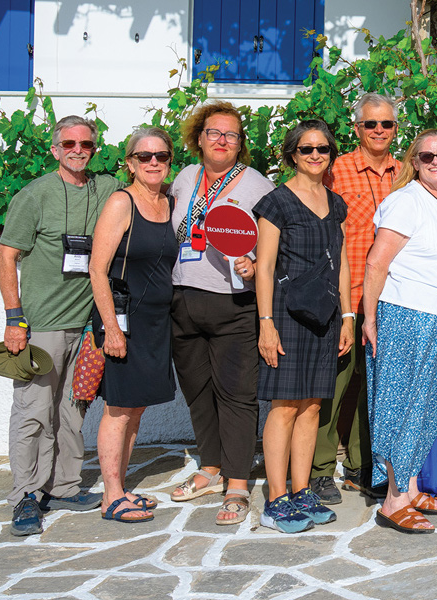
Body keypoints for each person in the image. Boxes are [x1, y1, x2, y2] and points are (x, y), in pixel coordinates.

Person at [0, 115, 118, 536]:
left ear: (95, 148)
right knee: (33, 412)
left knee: (72, 410)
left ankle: (64, 485)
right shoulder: (35, 195)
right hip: (42, 324)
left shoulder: (106, 189)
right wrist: (15, 320)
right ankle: (26, 496)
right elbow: (6, 255)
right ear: (55, 149)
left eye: (85, 144)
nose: (78, 150)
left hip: (85, 325)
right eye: (69, 144)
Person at [166, 102, 273, 526]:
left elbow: (272, 247)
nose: (222, 140)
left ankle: (238, 484)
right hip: (183, 299)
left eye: (230, 134)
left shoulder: (258, 186)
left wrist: (254, 264)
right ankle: (210, 468)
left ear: (240, 142)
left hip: (233, 302)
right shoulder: (184, 178)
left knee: (237, 395)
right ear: (199, 137)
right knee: (197, 390)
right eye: (214, 133)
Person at [362, 130, 437, 533]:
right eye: (427, 156)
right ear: (415, 160)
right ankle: (393, 500)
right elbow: (377, 264)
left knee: (428, 406)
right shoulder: (404, 201)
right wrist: (369, 318)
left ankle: (408, 489)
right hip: (410, 315)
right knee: (403, 405)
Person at [253, 120, 352, 533]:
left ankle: (300, 492)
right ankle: (276, 500)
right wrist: (265, 324)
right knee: (284, 407)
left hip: (326, 317)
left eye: (323, 149)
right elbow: (265, 268)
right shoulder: (276, 203)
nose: (316, 155)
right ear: (293, 154)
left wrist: (348, 316)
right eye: (307, 149)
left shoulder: (336, 202)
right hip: (286, 316)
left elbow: (343, 262)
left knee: (312, 406)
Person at [88, 128, 179, 525]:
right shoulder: (121, 202)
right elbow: (97, 269)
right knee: (119, 410)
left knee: (136, 409)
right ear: (130, 163)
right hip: (123, 321)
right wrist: (111, 328)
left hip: (157, 322)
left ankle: (120, 487)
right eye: (144, 157)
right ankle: (111, 497)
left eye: (161, 155)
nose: (153, 162)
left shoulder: (170, 203)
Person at [322, 93, 401, 502]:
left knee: (374, 388)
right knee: (334, 386)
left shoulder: (405, 172)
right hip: (346, 297)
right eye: (370, 124)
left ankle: (360, 466)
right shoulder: (335, 170)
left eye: (386, 124)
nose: (378, 131)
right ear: (357, 129)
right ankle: (319, 471)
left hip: (393, 300)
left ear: (395, 129)